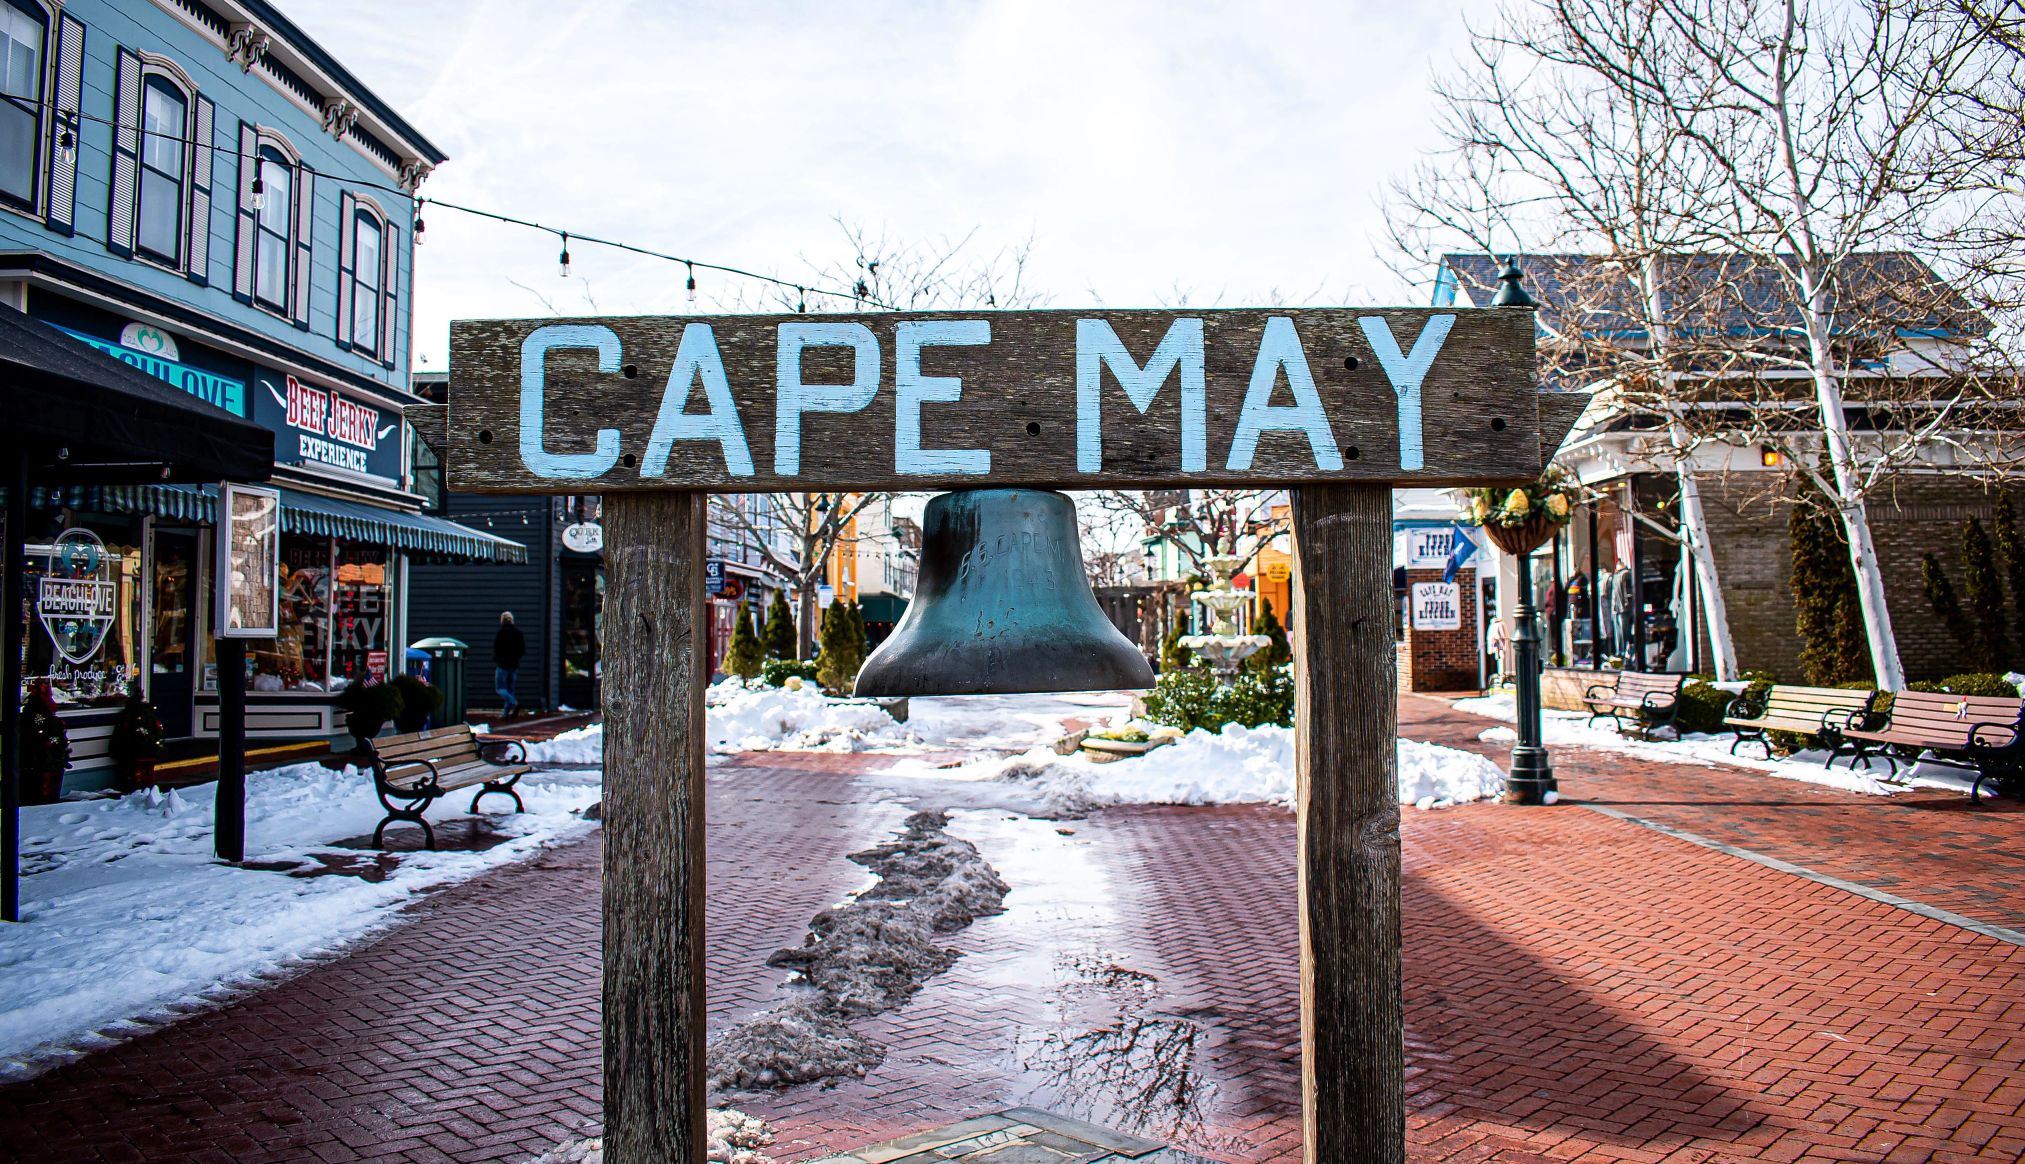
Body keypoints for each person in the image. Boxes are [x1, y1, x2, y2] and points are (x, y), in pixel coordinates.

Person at [494, 611, 525, 718]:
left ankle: (514, 703)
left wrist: (497, 659)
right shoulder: (518, 633)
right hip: (514, 664)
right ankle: (506, 713)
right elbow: (522, 650)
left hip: (502, 664)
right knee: (510, 689)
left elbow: (497, 648)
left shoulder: (501, 633)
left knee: (500, 688)